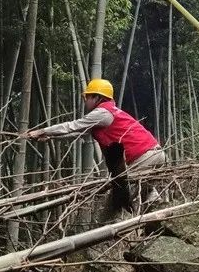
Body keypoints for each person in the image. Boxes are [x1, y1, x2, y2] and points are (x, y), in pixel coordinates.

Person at [26, 78, 165, 209]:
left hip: (144, 157)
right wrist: (49, 137)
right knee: (145, 193)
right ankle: (162, 218)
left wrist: (42, 130)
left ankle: (114, 231)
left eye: (87, 97)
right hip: (155, 154)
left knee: (118, 202)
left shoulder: (102, 113)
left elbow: (73, 126)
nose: (85, 100)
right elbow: (77, 133)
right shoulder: (108, 113)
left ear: (97, 98)